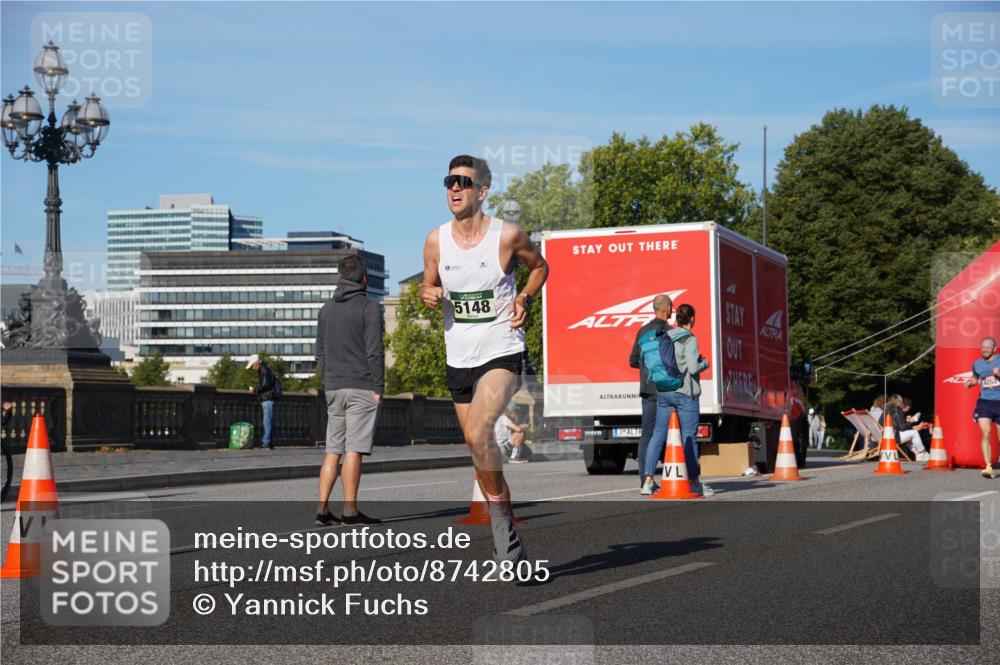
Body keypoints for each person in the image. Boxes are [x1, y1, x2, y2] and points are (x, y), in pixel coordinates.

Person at [421, 154, 548, 562]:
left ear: (482, 192)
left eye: (462, 182)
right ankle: (506, 525)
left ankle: (504, 544)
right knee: (478, 453)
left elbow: (540, 267)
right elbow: (428, 283)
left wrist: (525, 297)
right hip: (458, 355)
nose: (454, 189)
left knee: (480, 433)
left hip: (501, 348)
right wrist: (428, 293)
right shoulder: (435, 240)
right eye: (449, 182)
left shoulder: (507, 235)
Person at [314, 255, 385, 526]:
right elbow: (374, 352)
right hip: (361, 386)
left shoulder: (326, 309)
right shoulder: (369, 308)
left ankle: (322, 510)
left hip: (333, 387)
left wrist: (328, 379)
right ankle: (350, 511)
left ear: (340, 278)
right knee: (354, 449)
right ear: (364, 278)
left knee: (333, 449)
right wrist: (379, 387)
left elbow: (319, 352)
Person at [642, 303, 711, 496]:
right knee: (689, 436)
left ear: (676, 318)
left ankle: (647, 481)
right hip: (685, 394)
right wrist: (705, 363)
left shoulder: (668, 334)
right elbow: (693, 367)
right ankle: (694, 482)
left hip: (664, 391)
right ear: (692, 319)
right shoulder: (690, 339)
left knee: (658, 435)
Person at [629, 294, 673, 486]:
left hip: (648, 390)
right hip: (668, 389)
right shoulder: (670, 332)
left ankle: (645, 479)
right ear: (668, 309)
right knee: (672, 432)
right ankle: (680, 477)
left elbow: (633, 360)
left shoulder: (643, 331)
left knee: (647, 434)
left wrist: (649, 367)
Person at [964, 336, 1000, 478]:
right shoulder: (977, 364)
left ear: (994, 349)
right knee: (985, 434)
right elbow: (975, 378)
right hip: (984, 402)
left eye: (987, 347)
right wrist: (971, 382)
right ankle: (988, 466)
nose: (984, 349)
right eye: (982, 347)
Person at [246, 353, 279, 449]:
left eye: (252, 366)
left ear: (256, 363)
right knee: (269, 421)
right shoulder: (264, 370)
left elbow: (265, 385)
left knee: (267, 421)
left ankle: (266, 442)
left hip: (267, 399)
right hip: (268, 399)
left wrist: (255, 389)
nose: (252, 368)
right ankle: (269, 441)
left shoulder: (264, 370)